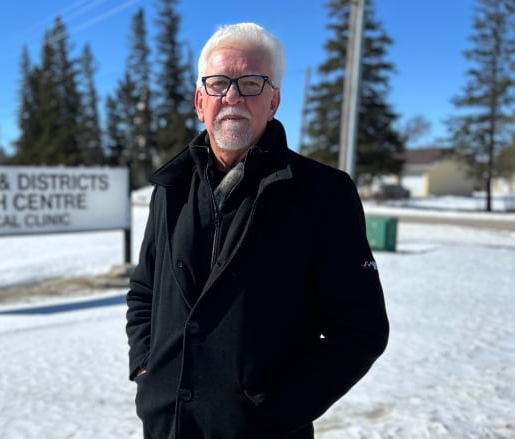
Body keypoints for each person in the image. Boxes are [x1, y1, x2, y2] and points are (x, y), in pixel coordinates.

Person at [125, 22, 389, 438]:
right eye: (218, 84)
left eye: (251, 83)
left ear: (274, 100)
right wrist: (146, 368)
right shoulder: (170, 189)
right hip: (169, 426)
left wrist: (277, 410)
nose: (231, 96)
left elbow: (360, 331)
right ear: (200, 101)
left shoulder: (323, 193)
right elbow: (145, 290)